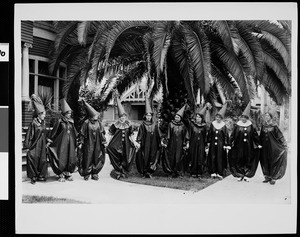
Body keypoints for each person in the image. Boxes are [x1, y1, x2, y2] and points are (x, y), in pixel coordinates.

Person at [228, 102, 262, 182]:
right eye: (242, 117)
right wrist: (229, 144)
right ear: (241, 118)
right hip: (238, 147)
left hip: (248, 147)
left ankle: (247, 174)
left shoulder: (251, 126)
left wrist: (258, 143)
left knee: (248, 159)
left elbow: (255, 136)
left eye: (245, 117)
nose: (243, 119)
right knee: (239, 159)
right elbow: (232, 136)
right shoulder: (237, 126)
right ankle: (240, 174)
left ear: (247, 118)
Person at [106, 94, 137, 180]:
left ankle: (124, 172)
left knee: (126, 157)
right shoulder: (115, 125)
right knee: (117, 157)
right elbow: (110, 134)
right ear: (119, 117)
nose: (122, 118)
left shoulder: (128, 124)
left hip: (126, 144)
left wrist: (134, 143)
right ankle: (118, 171)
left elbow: (131, 135)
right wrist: (108, 143)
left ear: (125, 117)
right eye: (121, 116)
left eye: (124, 116)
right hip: (116, 144)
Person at [47, 99, 78, 182]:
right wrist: (50, 141)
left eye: (70, 113)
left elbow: (74, 133)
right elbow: (54, 132)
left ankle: (67, 173)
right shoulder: (59, 122)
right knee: (61, 158)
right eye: (68, 113)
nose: (70, 114)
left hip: (70, 144)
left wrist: (77, 141)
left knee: (70, 158)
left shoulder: (71, 122)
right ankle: (60, 174)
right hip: (61, 144)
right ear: (65, 113)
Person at [77, 100, 107, 181]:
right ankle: (87, 173)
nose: (97, 116)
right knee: (88, 158)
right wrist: (81, 142)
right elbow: (82, 133)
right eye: (95, 115)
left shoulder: (99, 123)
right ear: (91, 115)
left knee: (97, 157)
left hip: (97, 143)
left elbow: (102, 132)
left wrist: (104, 141)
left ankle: (95, 173)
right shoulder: (86, 123)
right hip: (88, 143)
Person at [24, 94, 49, 184]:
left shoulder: (44, 123)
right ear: (39, 114)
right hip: (35, 144)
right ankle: (33, 177)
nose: (44, 116)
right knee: (33, 158)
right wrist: (27, 147)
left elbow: (45, 134)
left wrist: (47, 141)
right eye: (43, 114)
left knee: (42, 160)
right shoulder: (33, 123)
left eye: (44, 114)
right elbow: (29, 135)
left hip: (42, 144)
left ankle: (41, 176)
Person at [135, 93, 161, 178]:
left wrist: (160, 143)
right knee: (144, 157)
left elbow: (158, 134)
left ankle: (150, 172)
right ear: (145, 116)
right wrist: (138, 142)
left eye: (150, 115)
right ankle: (144, 172)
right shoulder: (143, 125)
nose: (148, 117)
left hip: (153, 144)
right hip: (145, 144)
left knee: (152, 157)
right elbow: (140, 134)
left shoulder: (155, 125)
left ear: (151, 116)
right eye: (147, 115)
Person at [259, 111, 288, 185]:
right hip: (264, 147)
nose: (266, 117)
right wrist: (258, 144)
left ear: (271, 117)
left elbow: (280, 136)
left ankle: (273, 177)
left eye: (268, 116)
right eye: (265, 116)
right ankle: (267, 176)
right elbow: (261, 136)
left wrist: (284, 143)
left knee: (273, 161)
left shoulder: (274, 126)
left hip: (273, 147)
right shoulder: (263, 125)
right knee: (265, 161)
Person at [163, 104, 189, 178]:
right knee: (171, 157)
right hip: (172, 144)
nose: (176, 118)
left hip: (180, 145)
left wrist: (186, 143)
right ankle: (170, 172)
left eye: (178, 117)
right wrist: (166, 142)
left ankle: (177, 172)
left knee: (178, 158)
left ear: (180, 118)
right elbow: (168, 134)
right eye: (176, 116)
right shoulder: (171, 124)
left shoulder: (183, 126)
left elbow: (185, 135)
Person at [207, 102, 229, 179]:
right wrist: (209, 142)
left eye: (219, 117)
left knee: (220, 158)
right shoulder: (212, 124)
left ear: (221, 118)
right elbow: (209, 134)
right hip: (213, 144)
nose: (218, 119)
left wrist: (226, 144)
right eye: (217, 117)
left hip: (220, 144)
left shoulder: (223, 126)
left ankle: (220, 172)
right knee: (213, 157)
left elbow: (226, 136)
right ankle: (213, 172)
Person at [187, 105, 207, 178]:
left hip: (201, 144)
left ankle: (199, 172)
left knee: (200, 157)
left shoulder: (204, 126)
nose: (197, 118)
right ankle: (193, 172)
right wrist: (188, 142)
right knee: (193, 157)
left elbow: (205, 136)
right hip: (193, 143)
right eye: (197, 117)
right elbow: (189, 133)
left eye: (199, 117)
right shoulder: (192, 125)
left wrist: (206, 145)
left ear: (202, 118)